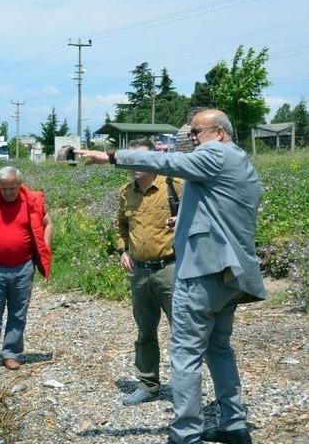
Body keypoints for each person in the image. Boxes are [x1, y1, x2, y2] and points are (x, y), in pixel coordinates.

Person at [77, 109, 265, 444]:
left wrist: (111, 156)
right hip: (230, 275)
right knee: (219, 349)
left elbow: (166, 163)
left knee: (186, 354)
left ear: (219, 133)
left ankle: (185, 435)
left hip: (203, 273)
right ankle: (234, 426)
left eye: (196, 132)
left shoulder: (216, 155)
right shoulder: (240, 162)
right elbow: (226, 213)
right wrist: (186, 222)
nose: (191, 139)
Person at [116, 138, 184, 406]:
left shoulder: (174, 186)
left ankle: (184, 391)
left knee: (181, 331)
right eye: (130, 159)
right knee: (145, 331)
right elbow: (120, 224)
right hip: (140, 273)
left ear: (154, 160)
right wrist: (122, 251)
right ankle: (148, 384)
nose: (134, 164)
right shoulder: (126, 192)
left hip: (170, 269)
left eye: (139, 159)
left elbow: (198, 216)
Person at [0, 166, 52, 377]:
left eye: (12, 188)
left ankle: (11, 354)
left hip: (23, 267)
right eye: (4, 189)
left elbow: (48, 223)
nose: (8, 193)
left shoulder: (33, 201)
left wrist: (46, 246)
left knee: (18, 313)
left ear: (19, 185)